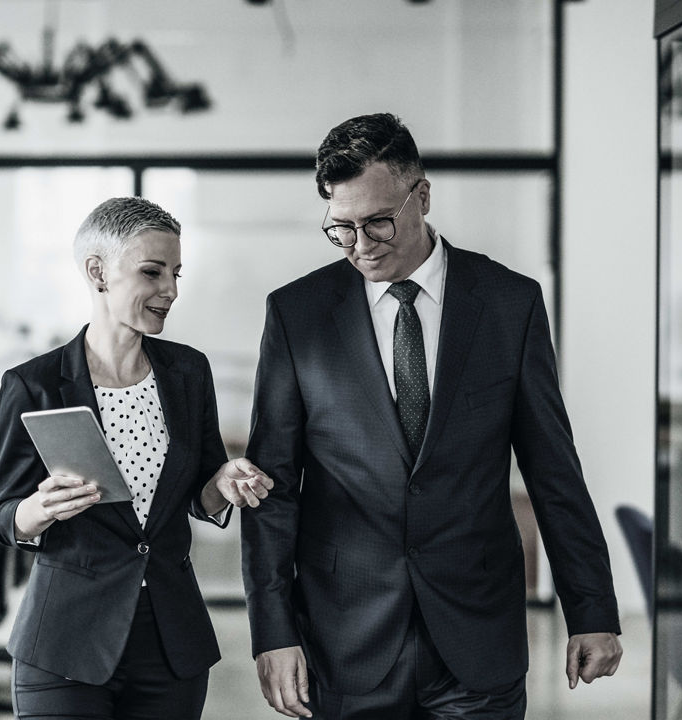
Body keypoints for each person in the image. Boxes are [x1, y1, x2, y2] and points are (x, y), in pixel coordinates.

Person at [241, 113, 623, 720]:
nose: (361, 245)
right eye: (341, 228)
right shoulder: (297, 314)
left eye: (378, 222)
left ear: (422, 195)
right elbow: (274, 486)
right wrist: (272, 630)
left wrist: (592, 608)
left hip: (479, 634)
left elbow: (553, 468)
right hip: (344, 639)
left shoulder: (509, 303)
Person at [0, 196, 274, 720]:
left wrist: (225, 482)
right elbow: (3, 516)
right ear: (98, 273)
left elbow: (201, 493)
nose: (171, 290)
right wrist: (40, 508)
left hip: (170, 640)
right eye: (152, 271)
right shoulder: (34, 384)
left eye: (176, 274)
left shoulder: (188, 372)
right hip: (65, 643)